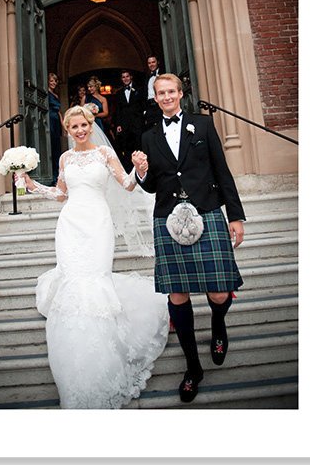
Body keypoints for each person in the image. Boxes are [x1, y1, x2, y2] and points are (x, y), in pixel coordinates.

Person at [17, 104, 168, 408]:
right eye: (74, 127)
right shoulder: (65, 158)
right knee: (73, 278)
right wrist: (33, 186)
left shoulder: (104, 153)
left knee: (96, 277)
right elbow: (61, 194)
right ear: (67, 130)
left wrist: (139, 170)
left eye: (84, 125)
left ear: (90, 124)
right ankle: (76, 338)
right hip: (70, 223)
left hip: (98, 223)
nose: (80, 130)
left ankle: (102, 339)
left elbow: (127, 185)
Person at [131, 73, 246, 403]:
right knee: (178, 295)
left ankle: (218, 325)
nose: (166, 97)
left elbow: (221, 170)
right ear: (155, 98)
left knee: (220, 292)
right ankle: (193, 368)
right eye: (160, 93)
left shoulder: (203, 125)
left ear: (180, 94)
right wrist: (141, 171)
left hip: (207, 210)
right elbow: (152, 185)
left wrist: (235, 216)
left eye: (171, 91)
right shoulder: (149, 136)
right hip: (168, 217)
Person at [113, 69, 145, 172]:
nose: (125, 79)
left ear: (131, 77)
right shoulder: (119, 93)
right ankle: (129, 170)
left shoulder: (139, 89)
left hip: (137, 123)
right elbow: (118, 110)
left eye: (127, 76)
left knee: (139, 145)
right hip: (125, 124)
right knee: (127, 148)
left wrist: (142, 119)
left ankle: (141, 169)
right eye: (123, 77)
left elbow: (143, 105)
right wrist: (118, 124)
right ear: (121, 79)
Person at [144, 55, 164, 130]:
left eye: (153, 62)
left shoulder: (163, 74)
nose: (151, 64)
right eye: (149, 63)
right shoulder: (146, 77)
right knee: (152, 129)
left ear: (157, 62)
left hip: (160, 104)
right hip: (150, 106)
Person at [47, 72, 63, 166]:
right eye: (51, 81)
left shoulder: (56, 95)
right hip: (50, 119)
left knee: (57, 143)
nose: (54, 83)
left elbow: (59, 111)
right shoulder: (46, 94)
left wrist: (62, 123)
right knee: (51, 142)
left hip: (56, 120)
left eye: (55, 81)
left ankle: (57, 166)